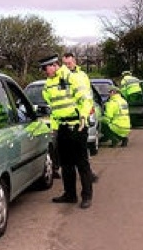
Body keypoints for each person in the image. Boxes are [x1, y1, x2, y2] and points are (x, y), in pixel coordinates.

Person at [39, 54, 94, 209]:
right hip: (62, 128)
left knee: (81, 163)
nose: (44, 72)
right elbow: (55, 109)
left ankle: (87, 196)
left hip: (77, 125)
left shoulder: (73, 78)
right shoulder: (48, 85)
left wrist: (83, 116)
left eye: (45, 68)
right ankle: (70, 194)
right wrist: (54, 128)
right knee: (66, 164)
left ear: (54, 65)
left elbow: (86, 100)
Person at [62, 52, 99, 183]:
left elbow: (87, 98)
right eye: (65, 64)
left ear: (75, 62)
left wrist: (84, 115)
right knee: (68, 158)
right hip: (66, 120)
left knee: (82, 155)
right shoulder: (61, 77)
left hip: (80, 119)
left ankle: (88, 175)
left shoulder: (82, 76)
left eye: (69, 63)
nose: (67, 66)